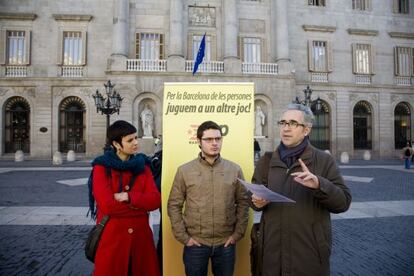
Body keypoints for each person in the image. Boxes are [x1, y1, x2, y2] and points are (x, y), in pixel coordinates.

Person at [250, 104, 351, 276]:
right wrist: (256, 201)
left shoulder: (324, 161)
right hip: (271, 255)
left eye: (293, 123)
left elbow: (343, 202)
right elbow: (254, 197)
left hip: (308, 255)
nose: (286, 128)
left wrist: (320, 185)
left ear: (306, 130)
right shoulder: (266, 160)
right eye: (283, 123)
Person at [167, 121, 249, 276]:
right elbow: (173, 205)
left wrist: (237, 234)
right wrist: (184, 237)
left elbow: (244, 202)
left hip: (225, 244)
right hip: (196, 244)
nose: (215, 143)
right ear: (199, 141)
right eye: (209, 139)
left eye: (218, 139)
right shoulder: (185, 171)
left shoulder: (234, 169)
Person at [91, 120, 161, 276]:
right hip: (112, 241)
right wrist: (140, 206)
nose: (136, 142)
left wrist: (128, 196)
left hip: (141, 242)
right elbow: (107, 205)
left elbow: (155, 200)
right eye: (130, 140)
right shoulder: (101, 168)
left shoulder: (143, 166)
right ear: (116, 144)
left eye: (136, 138)